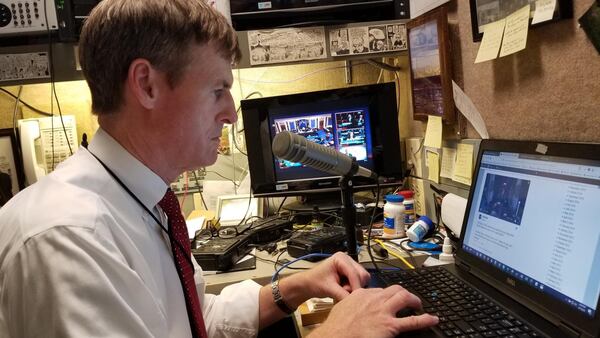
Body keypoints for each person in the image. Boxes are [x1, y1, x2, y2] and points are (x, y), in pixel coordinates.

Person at [0, 1, 438, 337]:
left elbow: (196, 322)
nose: (230, 113)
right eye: (217, 90)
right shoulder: (70, 239)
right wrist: (335, 332)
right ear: (146, 85)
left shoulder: (142, 201)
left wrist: (295, 287)